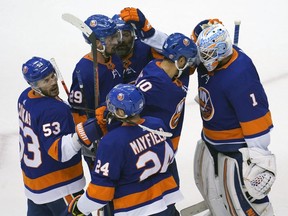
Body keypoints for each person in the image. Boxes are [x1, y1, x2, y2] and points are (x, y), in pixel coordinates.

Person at [193, 23, 276, 215]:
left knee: (244, 199)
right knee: (216, 192)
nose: (202, 59)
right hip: (212, 142)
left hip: (236, 150)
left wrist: (260, 161)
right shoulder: (212, 62)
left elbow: (256, 120)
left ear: (220, 51)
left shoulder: (240, 74)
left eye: (206, 55)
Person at [66, 83, 183, 216]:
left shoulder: (111, 142)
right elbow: (170, 164)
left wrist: (79, 207)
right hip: (166, 203)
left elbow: (100, 192)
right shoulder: (157, 124)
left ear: (120, 112)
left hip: (134, 209)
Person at [18, 57, 102, 216]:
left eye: (52, 76)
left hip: (34, 184)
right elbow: (59, 151)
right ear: (34, 85)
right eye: (45, 81)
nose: (52, 82)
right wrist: (84, 134)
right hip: (59, 185)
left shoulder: (24, 97)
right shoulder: (53, 110)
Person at [69, 14, 124, 125]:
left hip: (121, 119)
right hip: (102, 127)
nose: (116, 42)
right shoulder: (84, 72)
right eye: (111, 38)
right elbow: (78, 112)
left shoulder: (114, 56)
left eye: (116, 36)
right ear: (98, 43)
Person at [112, 14, 163, 84]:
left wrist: (151, 33)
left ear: (134, 36)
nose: (121, 40)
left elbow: (171, 52)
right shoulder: (104, 58)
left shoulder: (146, 48)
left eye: (126, 35)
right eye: (117, 35)